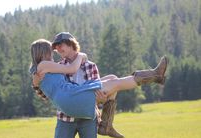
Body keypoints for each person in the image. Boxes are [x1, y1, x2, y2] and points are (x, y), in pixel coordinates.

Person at [30, 36, 168, 124]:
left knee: (111, 79)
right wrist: (81, 56)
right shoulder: (43, 65)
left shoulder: (39, 73)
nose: (54, 53)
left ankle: (106, 124)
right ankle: (155, 75)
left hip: (69, 98)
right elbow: (72, 69)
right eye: (51, 50)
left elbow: (41, 91)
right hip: (70, 97)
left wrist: (35, 83)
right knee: (115, 84)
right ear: (44, 52)